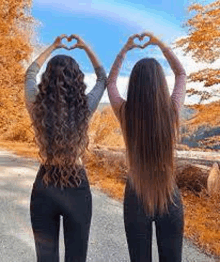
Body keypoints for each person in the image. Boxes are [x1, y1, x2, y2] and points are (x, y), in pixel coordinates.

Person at [25, 34, 106, 262]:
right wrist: (86, 46)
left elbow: (30, 74)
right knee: (77, 256)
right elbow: (102, 79)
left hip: (45, 183)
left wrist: (53, 45)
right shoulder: (84, 108)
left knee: (46, 257)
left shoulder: (37, 105)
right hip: (77, 185)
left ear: (47, 79)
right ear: (77, 79)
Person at [107, 32, 186, 262]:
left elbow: (110, 82)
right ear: (161, 84)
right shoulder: (171, 112)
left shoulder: (124, 113)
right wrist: (160, 44)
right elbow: (181, 74)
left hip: (135, 196)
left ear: (134, 84)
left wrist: (125, 49)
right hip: (168, 196)